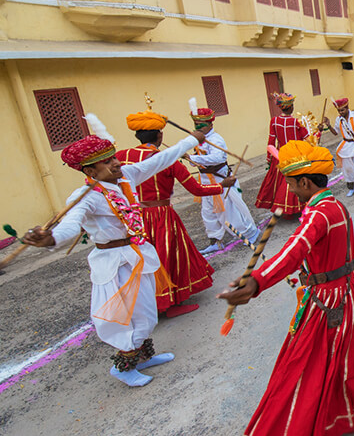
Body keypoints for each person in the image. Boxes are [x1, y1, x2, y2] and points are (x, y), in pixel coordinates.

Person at [217, 140, 354, 436]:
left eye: (291, 184)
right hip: (345, 292)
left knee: (329, 364)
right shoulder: (334, 205)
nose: (289, 191)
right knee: (350, 357)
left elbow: (294, 249)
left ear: (304, 181)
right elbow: (309, 252)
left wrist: (257, 281)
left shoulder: (318, 214)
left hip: (332, 300)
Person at [23, 115, 209, 386]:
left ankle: (143, 357)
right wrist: (50, 240)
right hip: (114, 264)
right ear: (90, 171)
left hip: (138, 255)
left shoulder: (126, 178)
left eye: (113, 157)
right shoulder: (84, 196)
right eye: (108, 161)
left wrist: (192, 140)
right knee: (125, 319)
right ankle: (122, 369)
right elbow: (71, 225)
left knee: (145, 312)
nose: (117, 162)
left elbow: (161, 159)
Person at [116, 110, 232, 317]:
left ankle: (149, 301)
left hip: (134, 217)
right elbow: (196, 189)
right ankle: (169, 303)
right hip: (161, 215)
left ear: (137, 136)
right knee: (166, 255)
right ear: (160, 136)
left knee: (140, 258)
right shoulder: (167, 160)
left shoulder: (121, 157)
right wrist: (221, 185)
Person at [187, 107, 260, 254]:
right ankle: (215, 241)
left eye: (201, 125)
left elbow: (218, 158)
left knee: (229, 213)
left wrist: (193, 158)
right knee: (208, 214)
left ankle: (251, 234)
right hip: (205, 184)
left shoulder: (216, 139)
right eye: (196, 126)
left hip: (221, 182)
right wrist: (190, 158)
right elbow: (196, 162)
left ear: (210, 125)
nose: (198, 128)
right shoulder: (197, 141)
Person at [255, 92, 309, 217]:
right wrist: (319, 132)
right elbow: (307, 138)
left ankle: (282, 208)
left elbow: (271, 142)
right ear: (290, 107)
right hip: (296, 156)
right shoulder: (296, 122)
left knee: (279, 182)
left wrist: (270, 159)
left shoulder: (274, 121)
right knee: (296, 181)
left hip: (280, 156)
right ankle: (296, 207)